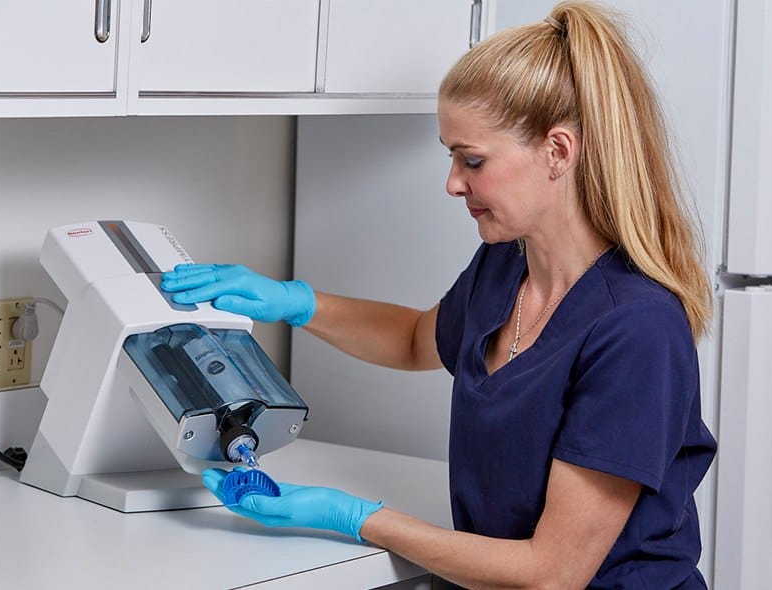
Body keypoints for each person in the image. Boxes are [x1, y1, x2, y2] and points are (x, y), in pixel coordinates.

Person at [161, 1, 717, 587]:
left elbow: (551, 575)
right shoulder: (506, 264)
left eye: (472, 159)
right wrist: (296, 302)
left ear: (558, 151)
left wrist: (357, 519)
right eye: (452, 156)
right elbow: (414, 339)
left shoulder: (637, 328)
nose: (454, 183)